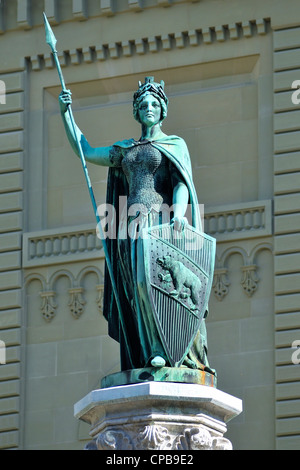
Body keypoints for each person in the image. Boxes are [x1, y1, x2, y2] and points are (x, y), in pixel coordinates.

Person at [59, 77, 212, 373]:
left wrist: (179, 214)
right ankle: (145, 349)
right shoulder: (126, 149)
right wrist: (67, 114)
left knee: (151, 282)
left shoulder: (173, 145)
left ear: (163, 109)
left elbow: (181, 183)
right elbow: (86, 151)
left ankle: (160, 347)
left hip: (159, 221)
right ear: (136, 112)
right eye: (143, 105)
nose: (149, 108)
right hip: (130, 226)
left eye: (155, 104)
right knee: (135, 287)